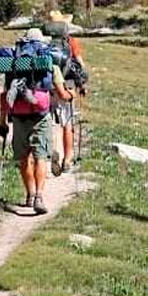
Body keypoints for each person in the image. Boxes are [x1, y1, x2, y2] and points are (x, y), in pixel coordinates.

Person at [0, 28, 73, 214]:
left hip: (18, 116)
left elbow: (5, 96)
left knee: (23, 158)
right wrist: (70, 96)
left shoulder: (14, 65)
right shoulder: (48, 64)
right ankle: (39, 196)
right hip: (40, 115)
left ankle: (30, 195)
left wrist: (3, 123)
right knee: (40, 157)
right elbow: (62, 94)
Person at [46, 10, 88, 174]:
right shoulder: (71, 42)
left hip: (48, 86)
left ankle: (54, 151)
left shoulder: (45, 41)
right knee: (67, 123)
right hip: (67, 86)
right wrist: (82, 84)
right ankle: (68, 158)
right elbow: (79, 64)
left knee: (52, 122)